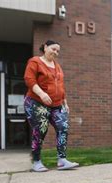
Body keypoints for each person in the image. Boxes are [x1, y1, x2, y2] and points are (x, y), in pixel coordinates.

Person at [24, 40, 79, 172]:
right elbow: (29, 79)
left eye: (58, 51)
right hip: (36, 102)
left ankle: (62, 160)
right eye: (53, 49)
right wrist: (41, 94)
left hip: (56, 104)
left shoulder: (57, 66)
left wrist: (64, 101)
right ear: (45, 47)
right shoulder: (35, 61)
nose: (56, 52)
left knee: (63, 127)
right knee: (41, 130)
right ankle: (36, 161)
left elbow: (60, 85)